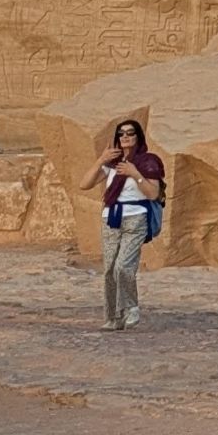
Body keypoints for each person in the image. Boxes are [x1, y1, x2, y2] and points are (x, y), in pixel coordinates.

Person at [89, 119, 164, 330]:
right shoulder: (113, 164)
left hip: (136, 217)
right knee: (109, 269)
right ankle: (114, 317)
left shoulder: (148, 162)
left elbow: (153, 193)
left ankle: (131, 308)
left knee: (123, 266)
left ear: (138, 136)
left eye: (130, 133)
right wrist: (101, 160)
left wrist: (134, 173)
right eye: (121, 134)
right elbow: (85, 184)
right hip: (111, 218)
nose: (125, 137)